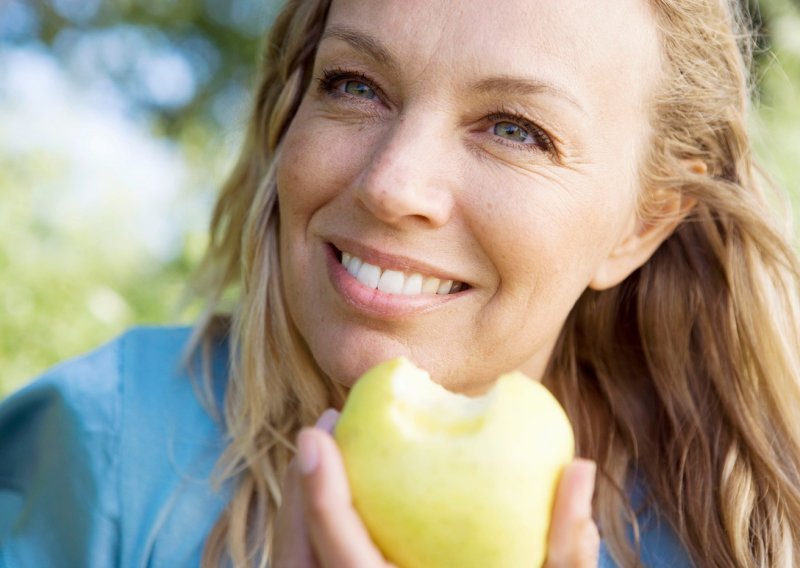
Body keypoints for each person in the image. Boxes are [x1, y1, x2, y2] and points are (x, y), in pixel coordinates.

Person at [2, 0, 799, 566]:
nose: (392, 185)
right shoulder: (101, 447)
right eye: (354, 85)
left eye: (515, 130)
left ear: (642, 224)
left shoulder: (740, 535)